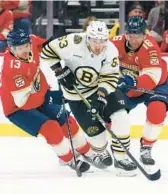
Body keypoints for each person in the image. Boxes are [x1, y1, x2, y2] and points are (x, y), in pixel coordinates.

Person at [40, 21, 137, 176]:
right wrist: (59, 70)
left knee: (121, 117)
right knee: (99, 142)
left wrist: (101, 97)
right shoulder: (72, 42)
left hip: (101, 88)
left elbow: (110, 76)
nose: (98, 45)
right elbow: (46, 52)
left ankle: (121, 158)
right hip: (75, 95)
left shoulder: (110, 50)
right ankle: (99, 151)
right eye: (94, 41)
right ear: (87, 38)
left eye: (102, 41)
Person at [0, 29, 101, 174]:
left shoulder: (32, 41)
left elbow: (48, 47)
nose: (25, 50)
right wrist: (50, 97)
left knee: (68, 123)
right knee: (52, 128)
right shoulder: (12, 70)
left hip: (41, 94)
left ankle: (88, 152)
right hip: (17, 108)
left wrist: (59, 47)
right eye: (19, 48)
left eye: (26, 46)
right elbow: (24, 102)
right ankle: (68, 159)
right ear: (11, 48)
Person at [110, 16, 168, 165]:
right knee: (108, 111)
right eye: (131, 35)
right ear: (126, 34)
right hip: (128, 85)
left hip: (156, 84)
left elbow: (152, 77)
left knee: (157, 110)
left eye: (138, 36)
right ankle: (117, 144)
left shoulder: (151, 48)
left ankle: (146, 146)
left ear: (145, 34)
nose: (134, 40)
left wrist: (132, 82)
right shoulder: (114, 43)